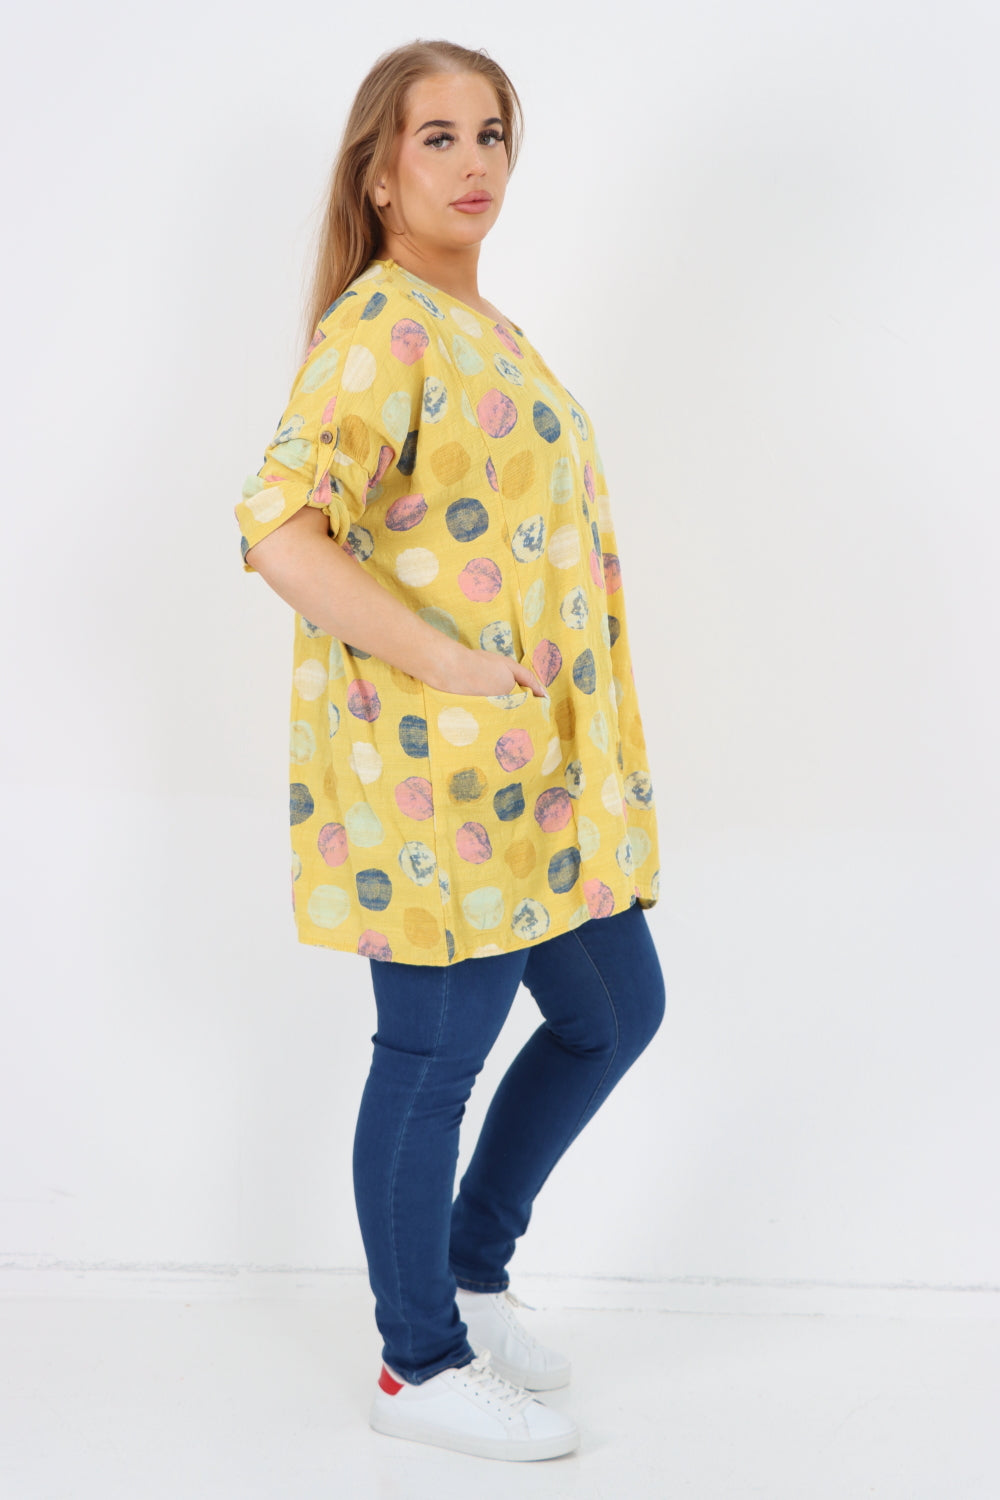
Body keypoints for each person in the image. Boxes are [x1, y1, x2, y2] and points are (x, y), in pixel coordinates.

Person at [234, 38, 666, 1463]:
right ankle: (415, 1361)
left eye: (491, 134)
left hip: (531, 772)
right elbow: (279, 529)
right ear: (379, 172)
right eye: (438, 137)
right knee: (432, 1058)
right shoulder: (381, 328)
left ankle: (471, 1276)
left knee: (615, 1009)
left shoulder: (482, 323)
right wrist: (452, 666)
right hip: (437, 775)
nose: (474, 162)